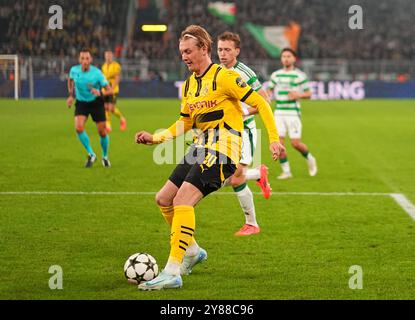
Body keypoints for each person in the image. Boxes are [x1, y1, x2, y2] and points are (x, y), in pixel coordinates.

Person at [135, 25, 284, 291]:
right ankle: (191, 251)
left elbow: (262, 103)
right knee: (164, 199)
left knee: (183, 200)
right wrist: (156, 138)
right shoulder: (190, 84)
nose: (184, 56)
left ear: (204, 49)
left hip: (224, 150)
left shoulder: (225, 77)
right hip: (200, 148)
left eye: (189, 51)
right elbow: (184, 122)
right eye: (181, 52)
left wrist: (273, 139)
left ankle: (172, 270)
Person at [217, 31, 271, 236]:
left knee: (236, 178)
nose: (222, 54)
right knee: (227, 176)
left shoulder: (245, 73)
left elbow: (265, 100)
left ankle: (252, 224)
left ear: (236, 51)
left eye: (227, 50)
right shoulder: (216, 71)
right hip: (224, 132)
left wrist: (244, 111)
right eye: (220, 49)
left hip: (244, 130)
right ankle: (258, 174)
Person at [268, 48, 317, 179]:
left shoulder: (300, 75)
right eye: (284, 56)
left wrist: (298, 94)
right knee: (280, 144)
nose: (286, 58)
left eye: (289, 56)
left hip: (293, 113)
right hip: (279, 113)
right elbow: (269, 91)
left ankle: (310, 157)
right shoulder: (275, 75)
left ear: (294, 59)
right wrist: (267, 98)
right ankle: (286, 171)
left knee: (295, 143)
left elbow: (309, 94)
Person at [67, 49, 113, 168]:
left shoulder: (97, 73)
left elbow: (110, 90)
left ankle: (105, 156)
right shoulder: (74, 70)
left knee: (102, 132)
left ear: (91, 60)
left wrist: (100, 92)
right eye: (82, 58)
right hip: (81, 102)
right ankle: (91, 153)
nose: (85, 61)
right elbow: (70, 80)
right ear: (79, 59)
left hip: (96, 103)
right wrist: (71, 95)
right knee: (78, 127)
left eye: (87, 58)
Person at [101, 50, 127, 133]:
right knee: (105, 107)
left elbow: (117, 78)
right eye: (106, 56)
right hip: (105, 90)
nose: (108, 57)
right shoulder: (103, 66)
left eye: (109, 56)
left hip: (113, 90)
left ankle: (122, 119)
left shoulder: (116, 66)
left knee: (111, 108)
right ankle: (108, 126)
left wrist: (112, 88)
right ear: (105, 57)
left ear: (112, 57)